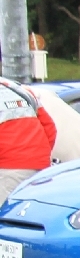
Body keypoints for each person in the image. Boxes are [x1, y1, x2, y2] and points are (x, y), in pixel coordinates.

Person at [0, 73, 57, 202]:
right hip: (42, 169)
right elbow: (49, 128)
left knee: (8, 212)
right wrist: (37, 157)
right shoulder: (18, 89)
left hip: (8, 170)